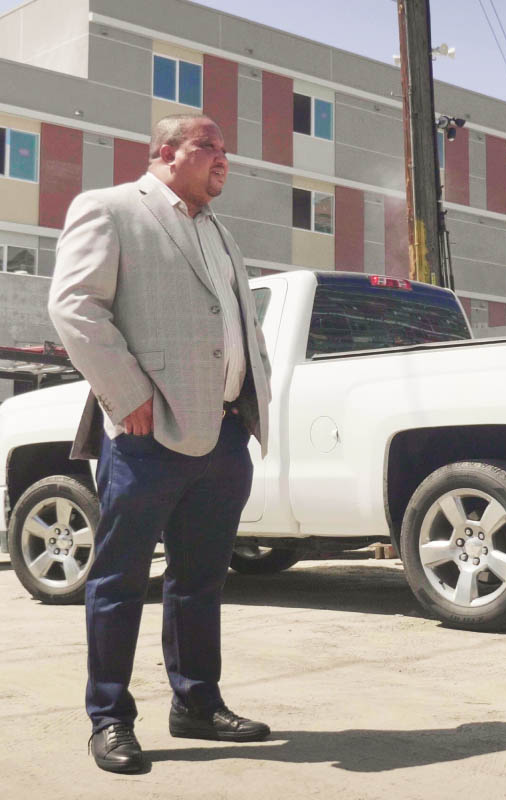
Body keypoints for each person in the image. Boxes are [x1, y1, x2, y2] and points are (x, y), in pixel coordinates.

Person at [49, 113, 272, 773]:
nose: (222, 158)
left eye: (226, 149)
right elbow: (74, 305)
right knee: (119, 581)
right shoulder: (111, 209)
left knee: (200, 581)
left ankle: (197, 705)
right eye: (209, 146)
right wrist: (129, 395)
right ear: (167, 152)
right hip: (148, 434)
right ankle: (110, 719)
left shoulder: (220, 231)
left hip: (225, 433)